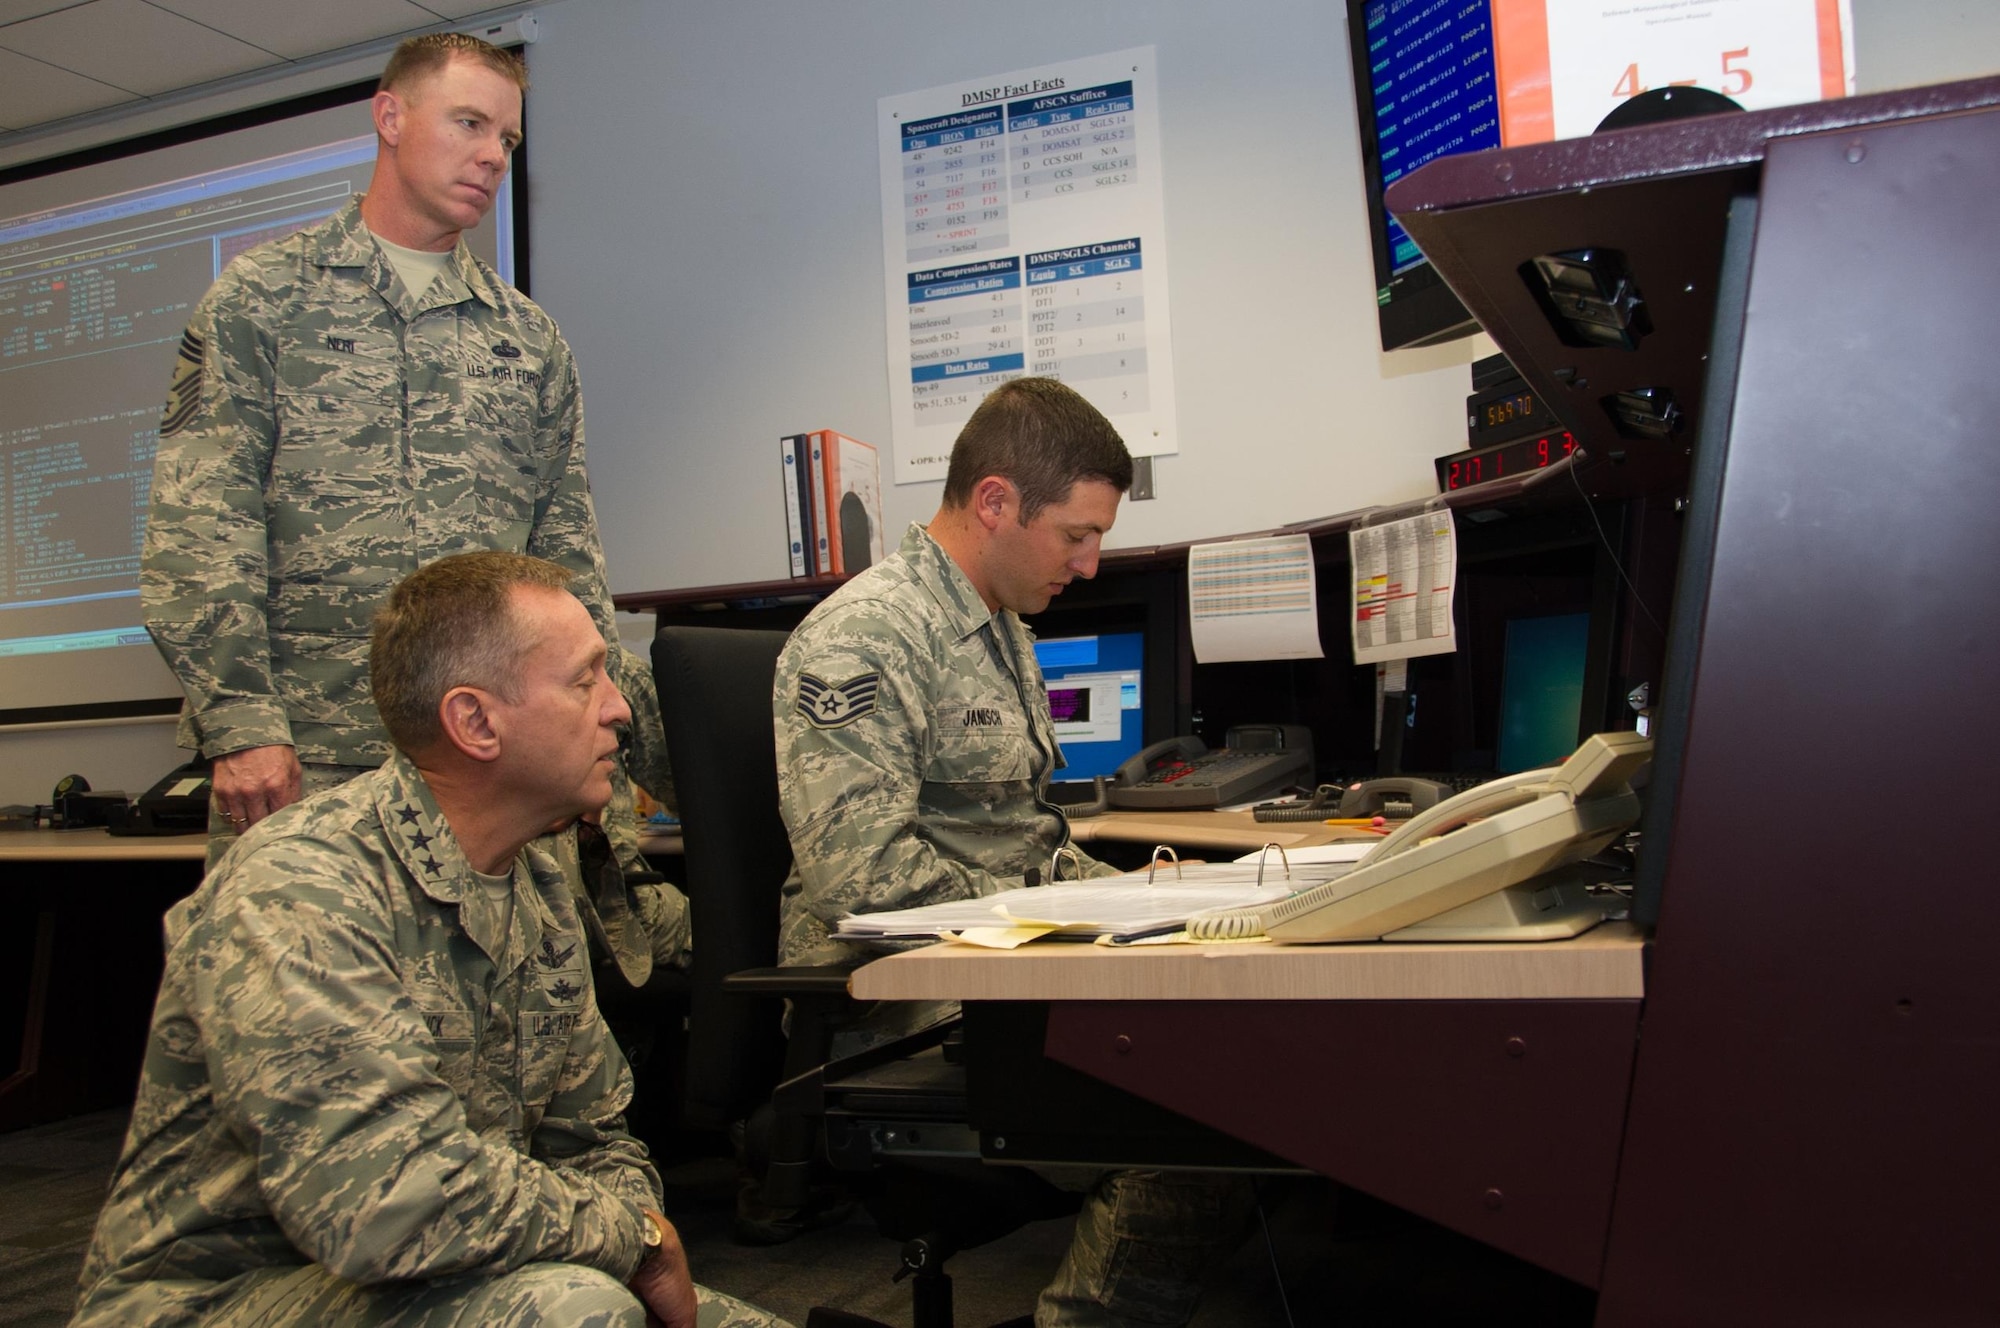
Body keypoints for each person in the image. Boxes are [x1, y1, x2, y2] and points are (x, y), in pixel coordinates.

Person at [72, 552, 785, 1328]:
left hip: (454, 1261)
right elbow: (384, 1202)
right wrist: (634, 1240)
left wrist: (628, 1234)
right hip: (226, 1294)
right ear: (475, 722)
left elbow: (594, 1139)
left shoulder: (536, 885)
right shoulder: (301, 892)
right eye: (586, 681)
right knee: (578, 1313)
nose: (619, 710)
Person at [140, 30, 683, 974]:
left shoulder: (529, 342)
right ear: (390, 118)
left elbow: (569, 559)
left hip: (496, 769)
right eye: (468, 123)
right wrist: (241, 727)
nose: (491, 157)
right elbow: (201, 527)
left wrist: (593, 724)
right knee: (299, 1032)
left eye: (507, 140)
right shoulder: (264, 302)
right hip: (313, 760)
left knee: (510, 1043)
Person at [773, 377, 1253, 1327]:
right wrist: (1066, 928)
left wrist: (1156, 903)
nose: (1089, 563)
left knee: (1245, 1044)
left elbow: (1029, 845)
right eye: (1077, 533)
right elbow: (862, 884)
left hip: (997, 968)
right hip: (904, 1000)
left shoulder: (998, 629)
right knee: (1205, 1122)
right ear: (995, 501)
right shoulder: (865, 639)